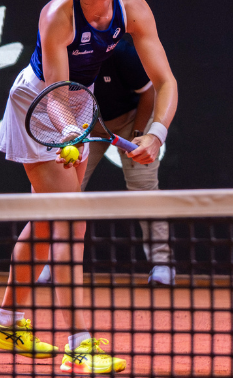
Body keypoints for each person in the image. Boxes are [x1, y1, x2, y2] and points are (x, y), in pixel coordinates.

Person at [0, 0, 178, 374]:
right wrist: (70, 132)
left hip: (76, 99)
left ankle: (7, 324)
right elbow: (54, 92)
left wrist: (156, 133)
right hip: (37, 103)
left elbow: (165, 82)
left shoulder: (133, 9)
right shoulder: (57, 14)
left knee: (48, 222)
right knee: (71, 222)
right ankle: (79, 344)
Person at [37, 36, 175, 286]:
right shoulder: (63, 52)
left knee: (145, 192)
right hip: (82, 123)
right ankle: (49, 263)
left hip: (133, 119)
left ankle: (162, 264)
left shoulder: (123, 52)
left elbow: (149, 94)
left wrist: (138, 136)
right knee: (64, 193)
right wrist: (72, 132)